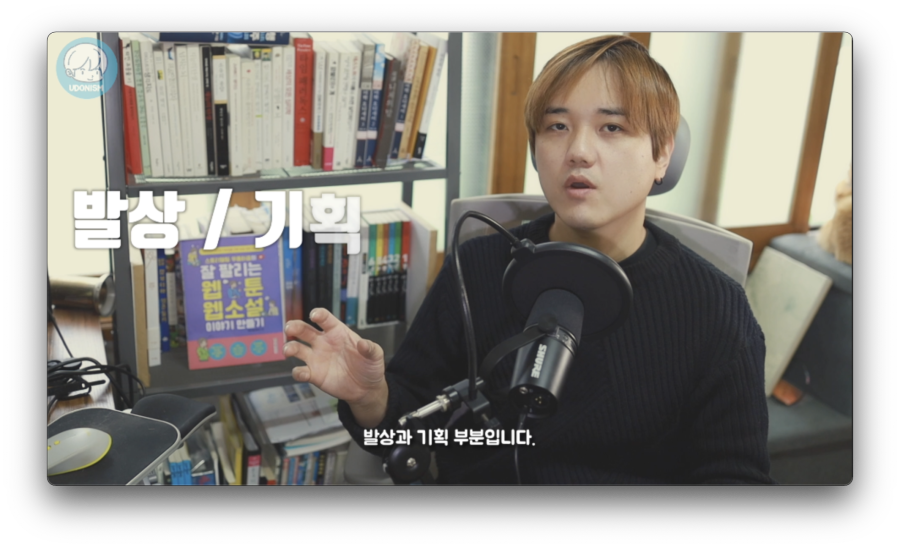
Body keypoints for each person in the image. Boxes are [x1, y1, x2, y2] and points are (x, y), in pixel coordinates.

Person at [284, 35, 773, 484]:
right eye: (557, 126)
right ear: (537, 151)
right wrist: (372, 397)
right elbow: (408, 430)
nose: (579, 151)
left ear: (662, 153)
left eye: (612, 127)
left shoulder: (716, 308)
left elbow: (735, 474)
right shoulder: (476, 267)